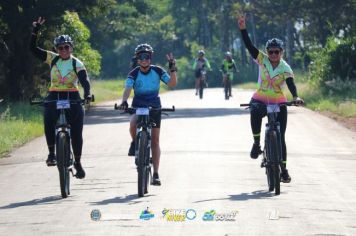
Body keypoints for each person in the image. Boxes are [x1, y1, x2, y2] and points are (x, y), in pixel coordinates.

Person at [237, 13, 304, 183]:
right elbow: (249, 45)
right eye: (271, 52)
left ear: (282, 52)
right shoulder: (262, 59)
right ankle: (257, 143)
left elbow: (290, 84)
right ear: (267, 52)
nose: (273, 54)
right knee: (254, 111)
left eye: (277, 52)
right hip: (260, 97)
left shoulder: (285, 67)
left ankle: (284, 170)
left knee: (281, 137)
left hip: (278, 101)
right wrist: (243, 28)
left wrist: (295, 96)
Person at [30, 17, 91, 179]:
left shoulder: (77, 63)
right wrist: (35, 31)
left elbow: (85, 81)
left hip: (72, 95)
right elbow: (33, 49)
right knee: (48, 120)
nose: (63, 50)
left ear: (71, 48)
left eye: (66, 47)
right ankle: (51, 154)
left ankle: (77, 162)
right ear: (56, 49)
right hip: (54, 94)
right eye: (60, 48)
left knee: (77, 132)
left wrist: (87, 95)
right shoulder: (52, 58)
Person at [117, 43, 177, 186]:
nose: (144, 59)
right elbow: (127, 88)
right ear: (137, 59)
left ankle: (155, 173)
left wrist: (172, 67)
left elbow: (172, 84)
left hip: (154, 106)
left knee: (155, 141)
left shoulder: (158, 70)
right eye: (141, 57)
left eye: (147, 56)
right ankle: (134, 142)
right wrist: (124, 101)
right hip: (139, 105)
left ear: (150, 58)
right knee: (132, 123)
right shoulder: (133, 73)